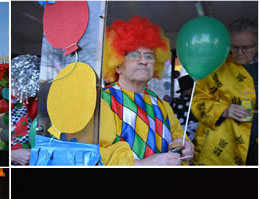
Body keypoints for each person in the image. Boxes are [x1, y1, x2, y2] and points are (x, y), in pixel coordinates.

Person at [99, 16, 193, 165]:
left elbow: (178, 136)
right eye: (134, 55)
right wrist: (143, 164)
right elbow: (96, 154)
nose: (143, 61)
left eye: (149, 56)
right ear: (117, 64)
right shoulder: (104, 102)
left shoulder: (162, 105)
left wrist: (186, 146)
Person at [192, 18, 258, 165]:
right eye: (234, 47)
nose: (239, 53)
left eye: (246, 47)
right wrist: (223, 110)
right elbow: (197, 100)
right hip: (225, 145)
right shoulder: (216, 67)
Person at [170, 75, 199, 142]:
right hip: (194, 135)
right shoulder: (195, 102)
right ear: (192, 89)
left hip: (178, 135)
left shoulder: (174, 101)